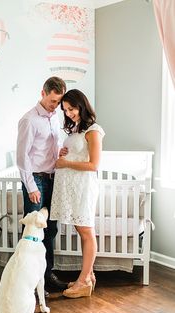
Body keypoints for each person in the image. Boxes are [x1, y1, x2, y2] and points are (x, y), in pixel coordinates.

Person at [50, 89, 105, 298]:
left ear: (81, 105)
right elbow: (77, 153)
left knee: (86, 232)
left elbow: (93, 165)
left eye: (71, 109)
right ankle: (88, 276)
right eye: (65, 110)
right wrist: (64, 152)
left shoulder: (93, 130)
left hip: (83, 187)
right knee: (82, 232)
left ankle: (83, 282)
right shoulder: (76, 128)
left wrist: (66, 162)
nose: (69, 113)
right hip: (73, 187)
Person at [16, 76, 68, 292]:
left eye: (58, 102)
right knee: (32, 233)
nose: (55, 106)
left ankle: (46, 277)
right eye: (52, 101)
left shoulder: (55, 118)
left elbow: (49, 149)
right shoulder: (29, 120)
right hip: (36, 179)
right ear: (43, 93)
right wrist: (31, 186)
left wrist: (60, 152)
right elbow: (23, 157)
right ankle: (26, 281)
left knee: (51, 230)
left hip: (52, 177)